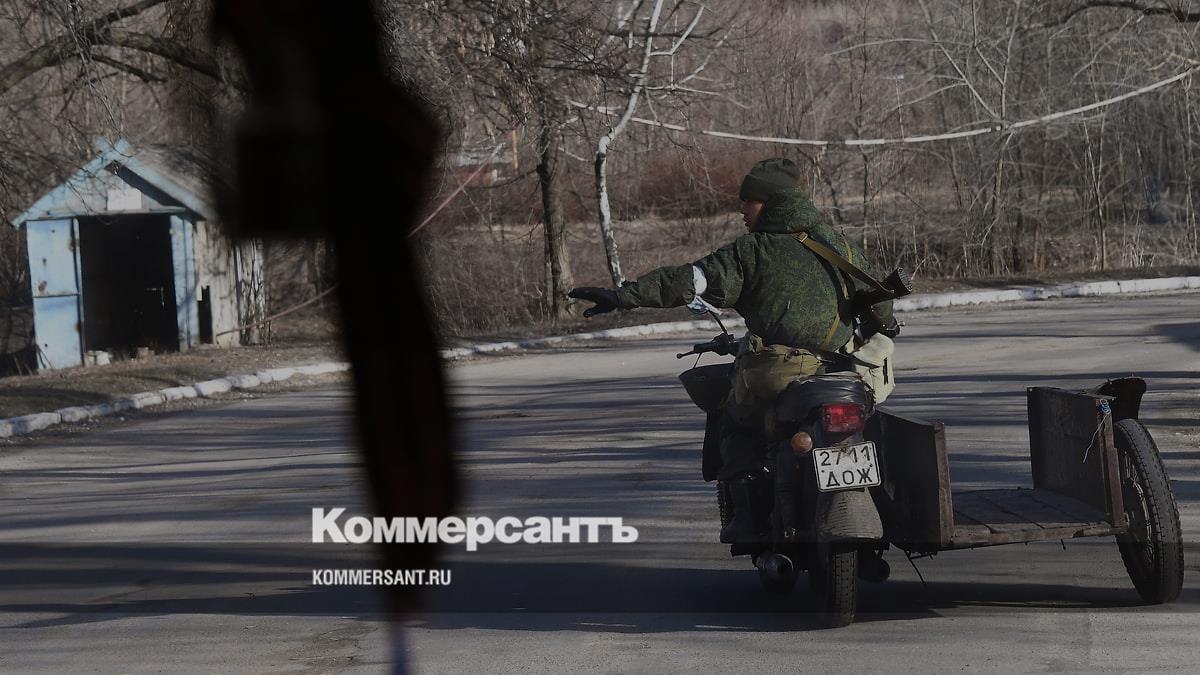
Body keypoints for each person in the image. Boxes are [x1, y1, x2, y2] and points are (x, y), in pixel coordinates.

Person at [570, 157, 895, 543]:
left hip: (776, 373)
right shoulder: (837, 244)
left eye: (748, 201)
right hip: (840, 373)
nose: (742, 209)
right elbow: (879, 300)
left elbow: (689, 280)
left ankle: (745, 517)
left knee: (733, 421)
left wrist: (622, 296)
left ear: (769, 203)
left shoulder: (752, 251)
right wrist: (885, 326)